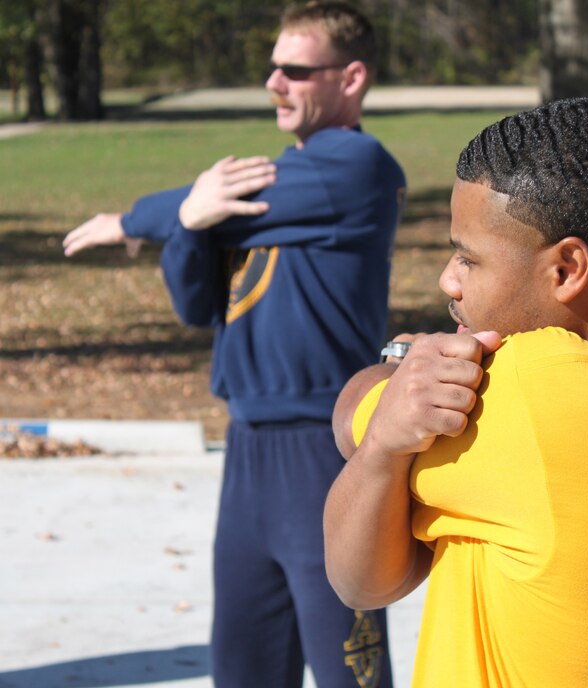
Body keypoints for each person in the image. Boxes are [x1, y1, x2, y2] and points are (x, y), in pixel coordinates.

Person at [323, 98, 588, 687]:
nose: (448, 279)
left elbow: (348, 421)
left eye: (469, 257)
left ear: (568, 268)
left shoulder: (532, 396)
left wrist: (398, 370)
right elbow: (379, 572)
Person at [63, 3, 405, 687]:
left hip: (324, 454)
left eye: (296, 70)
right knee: (244, 670)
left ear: (352, 77)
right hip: (247, 454)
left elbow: (216, 207)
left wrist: (141, 217)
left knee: (351, 676)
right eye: (273, 68)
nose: (274, 83)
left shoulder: (355, 169)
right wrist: (188, 224)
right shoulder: (245, 195)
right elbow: (195, 306)